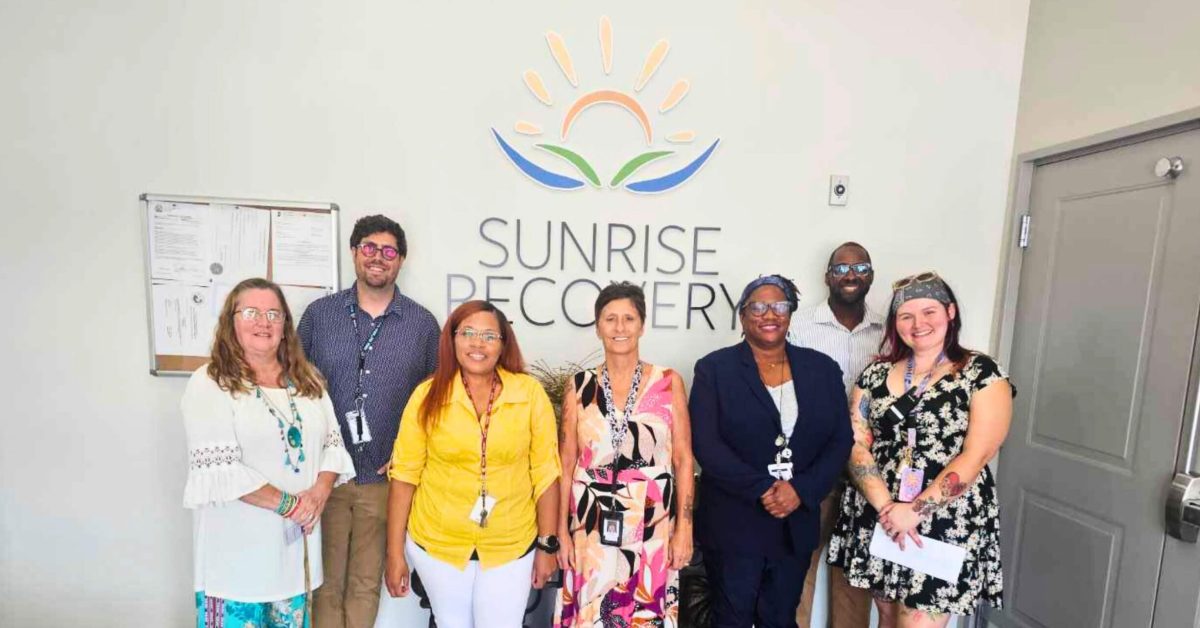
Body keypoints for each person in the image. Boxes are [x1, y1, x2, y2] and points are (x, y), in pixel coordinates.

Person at [827, 272, 1013, 628]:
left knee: (919, 622)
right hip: (881, 514)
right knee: (886, 616)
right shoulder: (875, 374)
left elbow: (977, 454)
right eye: (906, 315)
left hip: (943, 518)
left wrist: (913, 511)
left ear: (950, 312)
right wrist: (887, 508)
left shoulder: (981, 373)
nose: (918, 324)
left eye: (929, 312)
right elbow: (856, 443)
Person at [182, 277, 355, 627]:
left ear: (285, 326)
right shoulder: (210, 382)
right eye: (251, 312)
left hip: (293, 559)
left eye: (274, 314)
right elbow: (221, 471)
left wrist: (319, 495)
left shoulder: (308, 381)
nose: (264, 322)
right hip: (234, 563)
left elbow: (333, 446)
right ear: (231, 320)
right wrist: (292, 506)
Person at [298, 215, 440, 628]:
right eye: (370, 248)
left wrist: (408, 455)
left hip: (384, 478)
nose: (379, 258)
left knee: (364, 582)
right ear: (354, 253)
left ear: (401, 261)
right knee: (323, 582)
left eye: (389, 251)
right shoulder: (319, 316)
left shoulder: (422, 325)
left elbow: (435, 402)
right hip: (326, 475)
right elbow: (295, 387)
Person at [384, 300, 561, 628]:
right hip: (438, 543)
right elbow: (405, 476)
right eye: (467, 333)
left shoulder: (529, 394)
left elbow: (546, 474)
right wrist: (394, 554)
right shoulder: (427, 396)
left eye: (489, 336)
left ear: (503, 344)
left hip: (511, 543)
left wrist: (547, 546)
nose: (477, 343)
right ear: (452, 339)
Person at [690, 275, 854, 628]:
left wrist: (801, 490)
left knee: (780, 618)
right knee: (731, 618)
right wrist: (763, 488)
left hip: (794, 520)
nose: (769, 314)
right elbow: (706, 443)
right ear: (743, 316)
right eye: (758, 306)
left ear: (791, 313)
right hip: (734, 521)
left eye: (779, 305)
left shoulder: (822, 370)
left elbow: (840, 440)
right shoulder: (714, 369)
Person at [554, 282, 696, 627]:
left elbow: (683, 459)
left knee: (645, 611)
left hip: (653, 519)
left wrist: (685, 529)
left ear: (642, 325)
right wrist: (561, 530)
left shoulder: (668, 381)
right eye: (610, 319)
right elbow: (566, 462)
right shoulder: (579, 385)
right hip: (590, 520)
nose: (620, 328)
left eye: (629, 318)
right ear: (598, 326)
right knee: (592, 613)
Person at [789, 242, 883, 627]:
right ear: (828, 276)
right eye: (841, 268)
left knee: (854, 576)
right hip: (814, 463)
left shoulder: (889, 331)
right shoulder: (799, 325)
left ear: (871, 275)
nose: (850, 274)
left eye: (860, 267)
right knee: (799, 566)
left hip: (871, 469)